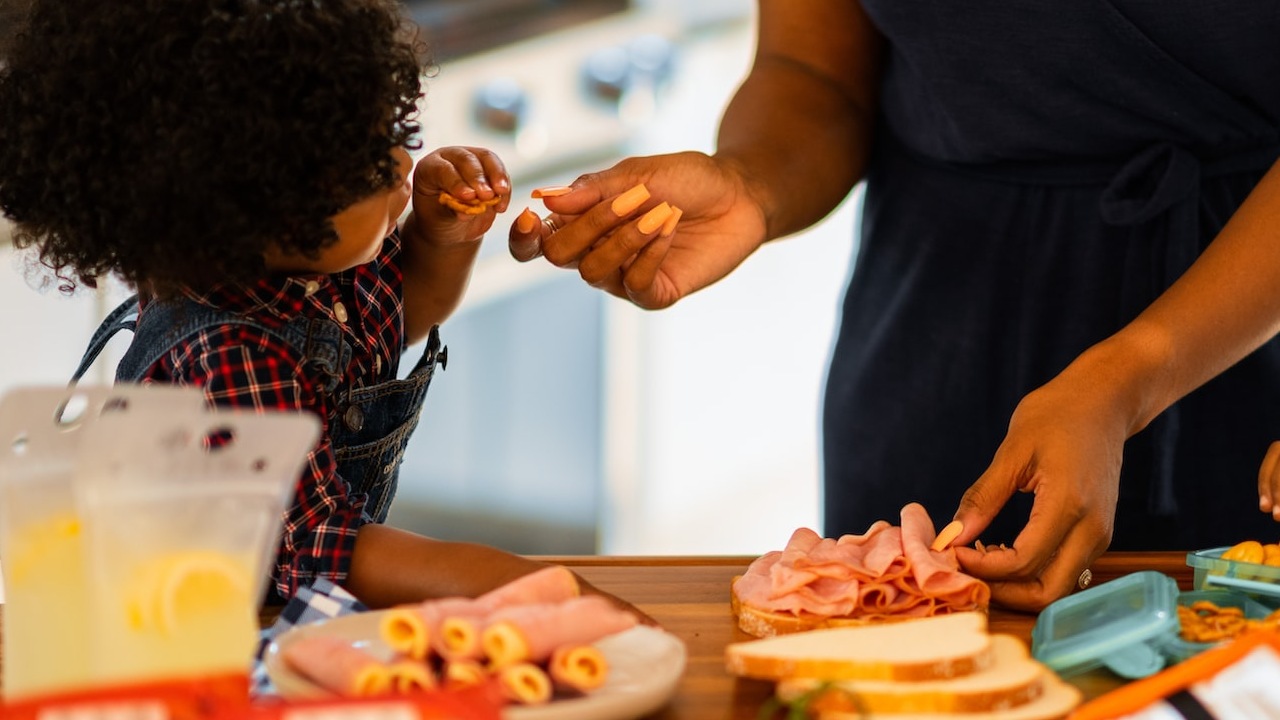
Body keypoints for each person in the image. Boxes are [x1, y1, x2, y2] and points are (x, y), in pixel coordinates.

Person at [506, 1, 1280, 610]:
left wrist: (1129, 376)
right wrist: (751, 183)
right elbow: (810, 68)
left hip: (1240, 323)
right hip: (934, 338)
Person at [0, 0, 643, 617]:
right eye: (364, 169)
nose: (401, 166)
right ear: (250, 211)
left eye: (391, 134)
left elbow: (404, 315)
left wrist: (438, 237)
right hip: (196, 640)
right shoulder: (227, 352)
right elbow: (322, 549)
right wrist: (524, 584)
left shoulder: (307, 266)